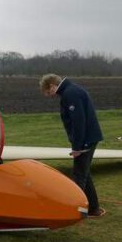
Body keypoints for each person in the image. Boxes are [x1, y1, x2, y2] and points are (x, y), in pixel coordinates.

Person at [40, 73, 105, 217]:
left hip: (85, 141)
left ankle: (74, 211)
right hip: (88, 139)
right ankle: (93, 208)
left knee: (79, 175)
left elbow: (78, 122)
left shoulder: (70, 94)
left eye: (48, 92)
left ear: (52, 85)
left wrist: (77, 147)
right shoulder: (71, 90)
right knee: (84, 173)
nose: (50, 95)